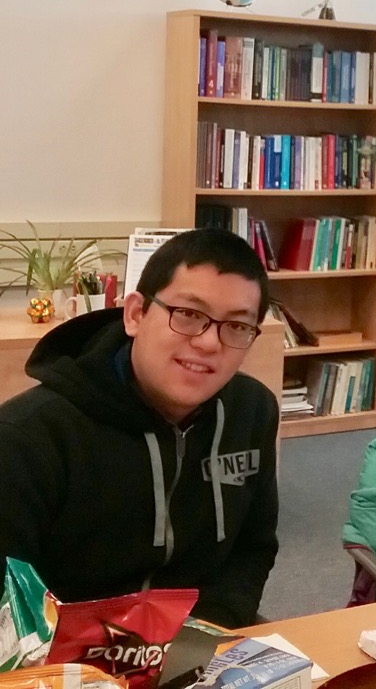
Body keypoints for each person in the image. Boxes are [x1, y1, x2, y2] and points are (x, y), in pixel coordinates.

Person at [0, 228, 279, 628]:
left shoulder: (252, 412)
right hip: (63, 661)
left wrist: (209, 630)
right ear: (136, 314)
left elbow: (252, 548)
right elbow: (9, 600)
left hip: (200, 638)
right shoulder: (28, 437)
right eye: (188, 314)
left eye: (236, 326)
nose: (208, 343)